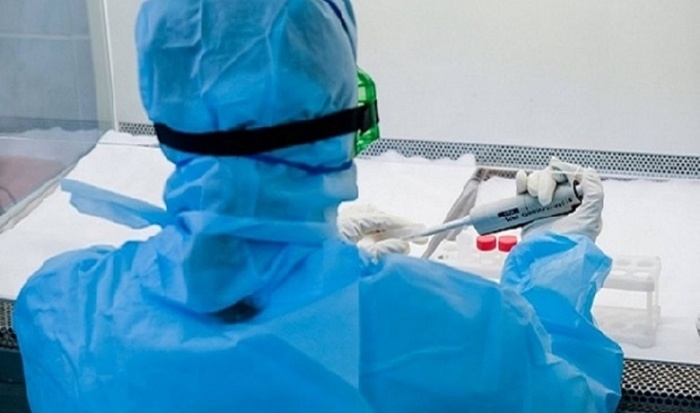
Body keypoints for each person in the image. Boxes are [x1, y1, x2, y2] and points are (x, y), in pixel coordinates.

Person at [13, 0, 623, 411]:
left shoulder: (60, 306)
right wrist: (559, 253)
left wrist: (277, 255)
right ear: (340, 118)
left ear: (165, 103)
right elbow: (575, 397)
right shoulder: (467, 328)